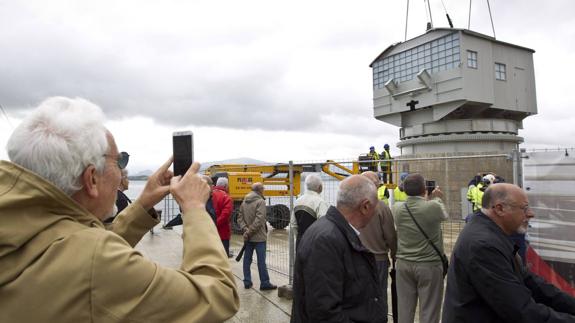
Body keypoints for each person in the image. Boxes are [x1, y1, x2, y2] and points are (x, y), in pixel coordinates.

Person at [0, 97, 239, 322]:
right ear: (91, 178)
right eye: (119, 161)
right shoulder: (95, 260)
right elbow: (218, 294)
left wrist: (143, 204)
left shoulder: (22, 228)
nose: (122, 173)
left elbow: (67, 250)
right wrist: (195, 208)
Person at [442, 183, 575, 322]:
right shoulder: (484, 246)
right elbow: (520, 310)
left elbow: (530, 281)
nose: (531, 214)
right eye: (524, 208)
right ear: (500, 208)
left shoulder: (496, 234)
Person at [291, 175, 387, 322]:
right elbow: (324, 313)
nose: (375, 212)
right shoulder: (326, 241)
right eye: (375, 206)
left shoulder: (333, 232)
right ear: (365, 206)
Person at [393, 173, 448, 323]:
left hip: (403, 264)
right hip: (429, 264)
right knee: (429, 309)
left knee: (404, 309)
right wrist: (436, 197)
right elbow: (443, 214)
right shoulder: (433, 205)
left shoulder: (397, 208)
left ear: (403, 189)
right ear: (424, 188)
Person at [358, 171, 398, 322]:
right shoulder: (381, 207)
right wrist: (395, 254)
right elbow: (391, 236)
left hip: (357, 257)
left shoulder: (353, 206)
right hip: (378, 259)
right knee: (379, 295)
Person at [237, 182, 277, 290]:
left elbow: (239, 218)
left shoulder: (244, 201)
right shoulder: (261, 202)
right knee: (261, 261)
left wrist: (246, 230)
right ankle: (264, 283)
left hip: (248, 237)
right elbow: (259, 220)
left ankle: (247, 281)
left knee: (246, 259)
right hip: (259, 237)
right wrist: (249, 231)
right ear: (260, 190)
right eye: (263, 189)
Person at [291, 173, 329, 249]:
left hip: (300, 242)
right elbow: (324, 227)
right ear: (320, 187)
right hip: (315, 244)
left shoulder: (297, 201)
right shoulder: (320, 202)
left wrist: (300, 237)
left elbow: (293, 224)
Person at [213, 177, 234, 257]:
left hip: (209, 232)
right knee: (223, 257)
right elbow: (225, 215)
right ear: (225, 186)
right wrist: (216, 223)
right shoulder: (226, 197)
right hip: (223, 233)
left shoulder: (209, 194)